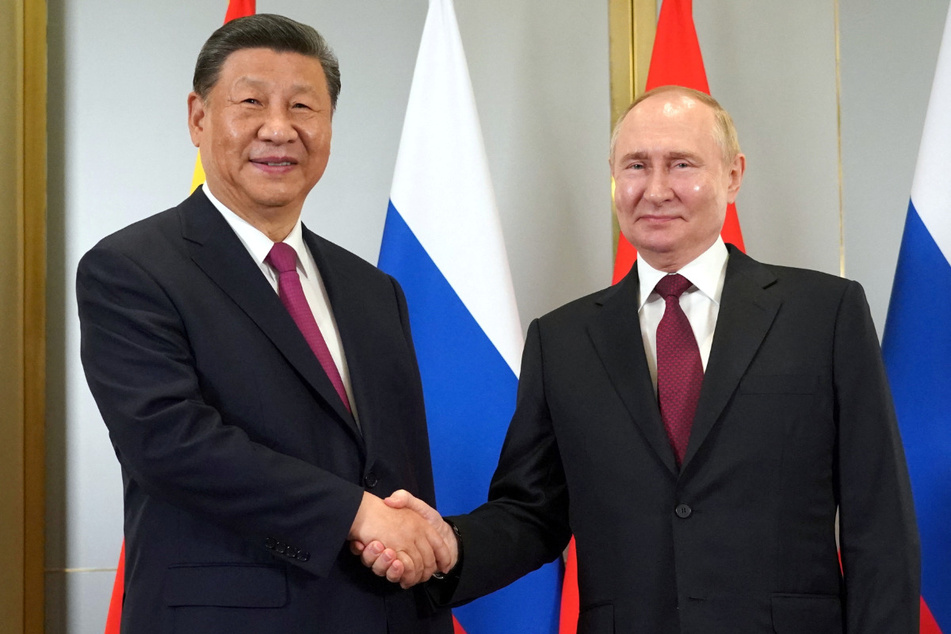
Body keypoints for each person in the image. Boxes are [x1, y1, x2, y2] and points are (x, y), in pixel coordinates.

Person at [361, 86, 921, 632]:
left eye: (681, 164)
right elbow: (533, 514)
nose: (655, 190)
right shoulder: (561, 340)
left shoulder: (824, 314)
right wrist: (447, 545)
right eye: (634, 166)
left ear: (733, 174)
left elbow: (880, 524)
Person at [77, 14, 453, 634]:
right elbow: (171, 444)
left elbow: (403, 473)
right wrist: (356, 514)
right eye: (250, 101)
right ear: (198, 117)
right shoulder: (130, 270)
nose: (279, 129)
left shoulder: (373, 290)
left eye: (304, 106)